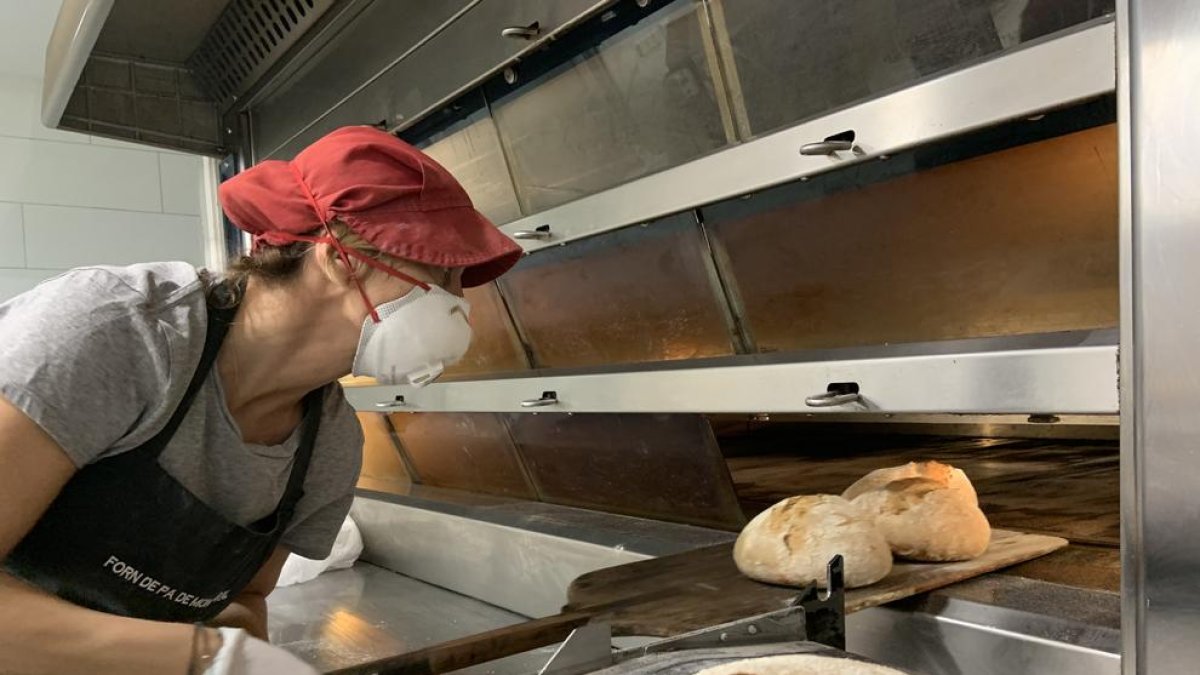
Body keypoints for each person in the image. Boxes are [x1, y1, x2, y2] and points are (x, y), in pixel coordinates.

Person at [0, 126, 522, 674]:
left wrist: (242, 647)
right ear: (341, 254)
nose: (459, 306)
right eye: (442, 272)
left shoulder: (329, 449)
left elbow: (242, 600)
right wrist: (207, 659)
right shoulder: (118, 334)